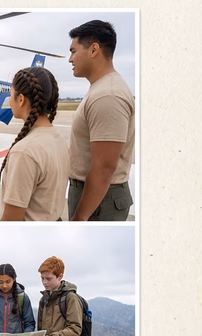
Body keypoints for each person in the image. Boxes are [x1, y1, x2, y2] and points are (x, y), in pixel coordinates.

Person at [66, 20, 135, 221]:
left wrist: (80, 218)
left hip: (99, 202)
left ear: (94, 50)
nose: (70, 59)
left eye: (73, 51)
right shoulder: (101, 88)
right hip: (96, 198)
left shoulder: (108, 95)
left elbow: (104, 168)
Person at [0, 67, 69, 221]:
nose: (9, 101)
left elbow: (12, 220)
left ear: (21, 99)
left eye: (10, 95)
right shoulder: (58, 138)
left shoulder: (24, 152)